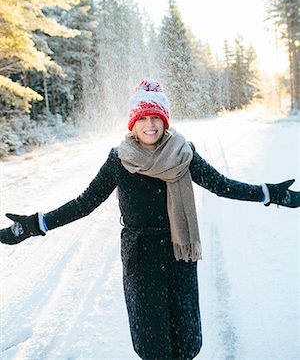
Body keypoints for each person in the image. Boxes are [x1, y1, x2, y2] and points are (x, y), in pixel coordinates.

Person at [1, 79, 300, 360]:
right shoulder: (118, 160)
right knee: (152, 343)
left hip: (178, 254)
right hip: (140, 256)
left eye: (155, 117)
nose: (150, 124)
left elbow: (222, 185)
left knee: (186, 341)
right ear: (133, 123)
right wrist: (35, 225)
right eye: (143, 118)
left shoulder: (183, 153)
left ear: (165, 120)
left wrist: (269, 193)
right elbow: (84, 204)